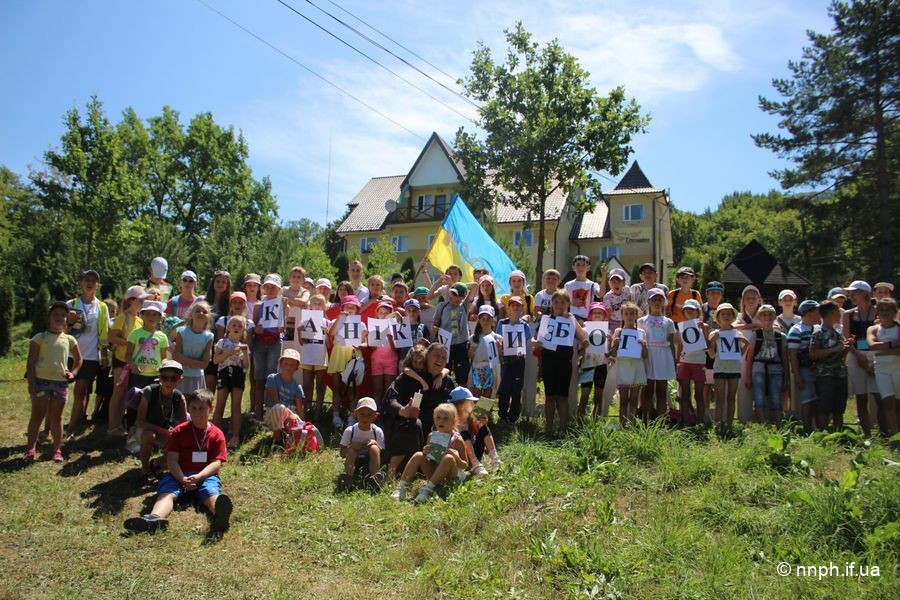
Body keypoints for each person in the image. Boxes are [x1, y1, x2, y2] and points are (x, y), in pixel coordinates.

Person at [124, 389, 232, 534]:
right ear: (188, 409)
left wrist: (199, 476)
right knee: (167, 491)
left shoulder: (217, 434)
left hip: (206, 476)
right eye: (193, 408)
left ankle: (219, 514)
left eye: (202, 408)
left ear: (210, 409)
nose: (197, 412)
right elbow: (172, 460)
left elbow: (216, 462)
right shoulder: (179, 431)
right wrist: (182, 478)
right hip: (179, 474)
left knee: (210, 491)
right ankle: (154, 518)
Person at [382, 343, 455, 479]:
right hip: (408, 430)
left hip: (436, 432)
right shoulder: (409, 377)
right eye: (436, 356)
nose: (440, 360)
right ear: (427, 357)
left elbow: (456, 406)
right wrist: (402, 410)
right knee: (415, 423)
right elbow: (388, 401)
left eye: (444, 358)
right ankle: (391, 472)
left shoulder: (447, 381)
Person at [23, 301, 83, 463]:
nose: (60, 317)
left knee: (57, 418)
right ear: (48, 319)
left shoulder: (69, 339)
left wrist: (73, 373)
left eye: (63, 315)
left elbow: (79, 359)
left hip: (60, 384)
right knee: (37, 416)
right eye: (55, 314)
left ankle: (57, 450)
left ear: (67, 320)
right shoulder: (40, 338)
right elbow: (31, 361)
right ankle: (30, 449)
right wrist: (31, 383)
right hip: (41, 382)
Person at [390, 403, 467, 503]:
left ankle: (427, 490)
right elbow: (430, 459)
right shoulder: (432, 436)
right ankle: (401, 488)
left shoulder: (457, 440)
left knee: (448, 458)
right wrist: (426, 453)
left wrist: (456, 457)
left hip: (450, 477)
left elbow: (465, 465)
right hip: (435, 474)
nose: (441, 421)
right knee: (418, 455)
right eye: (438, 418)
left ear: (453, 421)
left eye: (445, 418)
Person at [64, 269, 110, 438]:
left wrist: (104, 355)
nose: (90, 283)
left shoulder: (102, 307)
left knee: (80, 392)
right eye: (86, 279)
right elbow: (61, 329)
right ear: (81, 283)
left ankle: (71, 429)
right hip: (68, 354)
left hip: (89, 356)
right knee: (58, 392)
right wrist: (69, 322)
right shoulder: (70, 304)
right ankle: (48, 428)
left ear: (97, 285)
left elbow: (104, 332)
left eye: (93, 280)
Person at [536, 290, 585, 436]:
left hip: (564, 361)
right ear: (552, 303)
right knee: (550, 396)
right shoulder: (546, 319)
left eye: (563, 302)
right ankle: (549, 428)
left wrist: (572, 320)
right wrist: (534, 343)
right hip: (548, 360)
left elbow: (582, 337)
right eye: (556, 302)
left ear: (568, 304)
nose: (559, 305)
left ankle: (563, 429)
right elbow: (537, 339)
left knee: (563, 396)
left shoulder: (571, 319)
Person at [135, 359, 187, 481]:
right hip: (145, 430)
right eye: (165, 377)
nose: (169, 381)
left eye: (173, 378)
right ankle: (145, 470)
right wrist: (165, 432)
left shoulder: (179, 397)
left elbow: (184, 425)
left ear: (180, 380)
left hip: (166, 431)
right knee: (148, 436)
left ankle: (156, 464)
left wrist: (175, 434)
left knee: (182, 442)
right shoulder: (149, 391)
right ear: (159, 378)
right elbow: (141, 421)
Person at [107, 286, 147, 435]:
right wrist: (129, 343)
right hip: (121, 361)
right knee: (118, 392)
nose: (143, 302)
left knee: (125, 394)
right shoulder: (123, 317)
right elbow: (112, 337)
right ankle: (112, 426)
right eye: (140, 300)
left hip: (132, 361)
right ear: (130, 300)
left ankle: (119, 425)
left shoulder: (140, 320)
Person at [842, 280, 879, 437]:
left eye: (854, 292)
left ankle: (885, 433)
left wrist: (871, 360)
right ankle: (867, 435)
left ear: (865, 294)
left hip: (876, 355)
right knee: (861, 397)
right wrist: (859, 357)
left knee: (879, 397)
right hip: (855, 355)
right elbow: (847, 339)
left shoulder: (878, 311)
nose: (851, 296)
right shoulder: (848, 314)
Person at [809, 301, 851, 431]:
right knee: (824, 407)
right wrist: (835, 349)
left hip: (840, 374)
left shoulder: (838, 333)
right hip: (825, 375)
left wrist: (846, 348)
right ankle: (823, 433)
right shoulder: (818, 333)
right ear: (831, 313)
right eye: (838, 312)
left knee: (839, 408)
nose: (840, 315)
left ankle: (838, 433)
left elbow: (841, 354)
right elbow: (813, 353)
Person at [744, 304, 788, 426]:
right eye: (764, 315)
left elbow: (785, 359)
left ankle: (779, 423)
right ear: (759, 318)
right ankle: (762, 424)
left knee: (776, 397)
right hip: (758, 368)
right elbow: (749, 358)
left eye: (770, 314)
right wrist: (748, 377)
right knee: (759, 397)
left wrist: (786, 379)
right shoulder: (756, 335)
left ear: (774, 316)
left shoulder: (781, 337)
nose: (767, 317)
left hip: (776, 369)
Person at [638, 288, 677, 421]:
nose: (657, 302)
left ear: (664, 301)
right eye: (654, 299)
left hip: (663, 357)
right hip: (648, 356)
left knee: (662, 390)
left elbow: (671, 343)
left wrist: (674, 361)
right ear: (648, 301)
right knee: (647, 390)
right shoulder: (641, 321)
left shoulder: (669, 322)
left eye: (660, 299)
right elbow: (639, 341)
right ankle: (646, 421)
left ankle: (660, 422)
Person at [708, 303, 749, 429]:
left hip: (734, 369)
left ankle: (730, 425)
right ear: (718, 317)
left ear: (733, 317)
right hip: (720, 368)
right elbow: (711, 355)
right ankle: (718, 425)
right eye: (723, 314)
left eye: (728, 314)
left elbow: (745, 346)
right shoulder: (714, 333)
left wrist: (744, 344)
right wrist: (712, 341)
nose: (726, 316)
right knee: (720, 398)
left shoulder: (737, 333)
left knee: (731, 398)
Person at [327, 295, 366, 428]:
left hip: (353, 353)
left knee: (352, 387)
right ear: (342, 307)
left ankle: (352, 416)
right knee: (337, 386)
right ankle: (335, 415)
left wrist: (361, 345)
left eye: (352, 307)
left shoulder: (361, 324)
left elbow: (364, 340)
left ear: (357, 309)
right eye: (347, 306)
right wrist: (339, 318)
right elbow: (331, 333)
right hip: (339, 353)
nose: (349, 309)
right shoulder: (336, 320)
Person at [213, 315, 251, 448]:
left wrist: (245, 354)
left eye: (240, 326)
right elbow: (215, 360)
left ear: (244, 330)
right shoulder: (222, 342)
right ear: (228, 328)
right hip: (224, 373)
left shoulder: (244, 346)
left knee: (236, 405)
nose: (236, 328)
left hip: (238, 374)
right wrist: (229, 352)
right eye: (234, 325)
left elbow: (246, 366)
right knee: (220, 404)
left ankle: (235, 436)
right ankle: (214, 435)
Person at [252, 274, 285, 419]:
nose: (270, 289)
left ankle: (270, 412)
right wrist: (256, 329)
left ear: (279, 289)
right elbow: (253, 323)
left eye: (274, 287)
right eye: (268, 286)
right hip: (260, 342)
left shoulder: (282, 304)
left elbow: (284, 325)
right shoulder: (258, 305)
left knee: (271, 377)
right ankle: (258, 412)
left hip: (274, 342)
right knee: (259, 377)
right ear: (264, 288)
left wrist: (282, 328)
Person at [609, 302, 648, 427]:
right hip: (623, 367)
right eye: (626, 314)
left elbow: (645, 356)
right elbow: (613, 354)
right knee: (624, 399)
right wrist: (615, 344)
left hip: (637, 367)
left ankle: (632, 425)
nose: (629, 316)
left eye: (632, 314)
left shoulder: (641, 332)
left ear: (637, 316)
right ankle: (622, 425)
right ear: (622, 316)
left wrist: (644, 346)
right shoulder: (619, 331)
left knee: (634, 399)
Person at [496, 296, 532, 426]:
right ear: (508, 308)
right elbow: (498, 340)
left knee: (517, 389)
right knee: (504, 388)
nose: (515, 308)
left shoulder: (525, 326)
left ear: (522, 308)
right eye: (513, 305)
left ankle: (513, 418)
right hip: (505, 360)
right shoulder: (502, 323)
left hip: (519, 360)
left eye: (518, 305)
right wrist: (499, 345)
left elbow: (529, 342)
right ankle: (502, 416)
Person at [449, 386, 501, 476]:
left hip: (475, 452)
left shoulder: (472, 417)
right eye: (471, 402)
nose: (474, 404)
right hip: (462, 458)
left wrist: (482, 422)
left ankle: (495, 458)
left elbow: (480, 432)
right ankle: (475, 465)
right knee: (464, 434)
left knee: (484, 427)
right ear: (461, 406)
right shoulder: (451, 421)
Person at [787, 300, 822, 433]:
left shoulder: (819, 328)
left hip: (818, 370)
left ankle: (819, 428)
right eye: (817, 311)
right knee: (807, 399)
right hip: (804, 370)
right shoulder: (796, 330)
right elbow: (793, 354)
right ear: (808, 313)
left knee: (817, 400)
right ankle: (807, 428)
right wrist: (797, 375)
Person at [338, 397, 385, 491]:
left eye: (369, 415)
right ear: (355, 413)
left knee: (374, 448)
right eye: (362, 414)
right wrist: (352, 447)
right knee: (351, 451)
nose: (365, 418)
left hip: (371, 460)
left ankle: (374, 478)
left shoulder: (377, 431)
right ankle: (347, 478)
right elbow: (342, 453)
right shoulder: (350, 431)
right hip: (354, 461)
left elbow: (382, 453)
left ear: (375, 416)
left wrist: (375, 444)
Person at [868, 297, 899, 435]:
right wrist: (892, 345)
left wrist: (882, 349)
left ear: (894, 312)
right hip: (881, 368)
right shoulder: (873, 329)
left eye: (888, 310)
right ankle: (893, 433)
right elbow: (872, 345)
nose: (885, 313)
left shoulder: (898, 328)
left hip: (898, 367)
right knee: (887, 401)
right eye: (882, 310)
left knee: (898, 403)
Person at [124, 300, 170, 391]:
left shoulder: (163, 336)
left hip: (155, 376)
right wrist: (133, 365)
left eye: (154, 315)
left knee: (152, 399)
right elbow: (128, 354)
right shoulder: (135, 333)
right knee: (136, 398)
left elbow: (164, 357)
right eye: (148, 314)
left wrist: (162, 366)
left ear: (160, 317)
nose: (151, 317)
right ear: (142, 316)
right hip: (137, 375)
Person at [298, 294, 329, 421]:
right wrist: (300, 332)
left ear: (325, 306)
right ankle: (306, 411)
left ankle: (317, 413)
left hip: (320, 357)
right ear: (310, 306)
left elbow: (329, 344)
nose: (317, 306)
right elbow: (302, 342)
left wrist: (326, 332)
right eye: (314, 303)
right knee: (306, 385)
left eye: (320, 304)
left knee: (320, 386)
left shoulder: (327, 322)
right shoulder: (304, 320)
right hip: (307, 356)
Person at [677, 299, 708, 425]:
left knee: (699, 395)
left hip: (699, 362)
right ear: (683, 312)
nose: (689, 311)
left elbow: (708, 346)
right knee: (685, 394)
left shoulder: (704, 326)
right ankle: (686, 422)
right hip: (685, 362)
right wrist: (678, 362)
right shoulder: (681, 326)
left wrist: (704, 330)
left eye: (692, 309)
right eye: (687, 309)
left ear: (698, 311)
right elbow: (680, 346)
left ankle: (700, 422)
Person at [171, 301, 214, 394]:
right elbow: (177, 357)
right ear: (191, 315)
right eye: (197, 311)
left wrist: (184, 360)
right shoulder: (182, 332)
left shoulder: (209, 337)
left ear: (208, 317)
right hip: (181, 375)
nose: (201, 313)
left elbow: (204, 364)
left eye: (204, 312)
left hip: (197, 376)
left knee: (195, 400)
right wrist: (195, 363)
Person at [735, 285, 763, 424]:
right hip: (743, 359)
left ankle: (763, 420)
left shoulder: (764, 314)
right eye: (748, 298)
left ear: (759, 300)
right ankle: (744, 420)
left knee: (762, 389)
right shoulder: (739, 317)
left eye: (754, 298)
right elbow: (732, 327)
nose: (751, 300)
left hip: (761, 358)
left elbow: (775, 326)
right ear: (743, 301)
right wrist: (755, 326)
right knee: (743, 389)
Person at [432, 282, 471, 384]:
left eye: (457, 298)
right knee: (444, 372)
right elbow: (435, 323)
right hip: (445, 344)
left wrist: (462, 285)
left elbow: (475, 285)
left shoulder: (464, 305)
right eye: (451, 296)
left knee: (462, 375)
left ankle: (461, 392)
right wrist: (435, 328)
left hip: (461, 345)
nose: (453, 300)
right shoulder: (442, 306)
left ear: (463, 297)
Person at [577, 302, 609, 420]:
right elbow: (578, 353)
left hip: (602, 366)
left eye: (600, 313)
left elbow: (609, 354)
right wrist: (584, 347)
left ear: (604, 316)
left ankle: (595, 423)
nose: (597, 314)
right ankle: (580, 421)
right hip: (587, 365)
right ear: (589, 315)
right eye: (594, 312)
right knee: (584, 396)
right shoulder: (583, 331)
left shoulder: (607, 332)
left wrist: (613, 345)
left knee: (598, 397)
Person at [202, 270, 232, 391]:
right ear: (213, 283)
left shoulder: (230, 304)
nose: (220, 284)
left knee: (211, 376)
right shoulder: (202, 300)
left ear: (227, 285)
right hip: (202, 340)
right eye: (218, 281)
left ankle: (208, 399)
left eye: (223, 282)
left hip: (219, 343)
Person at [264, 348, 305, 433]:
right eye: (286, 364)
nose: (288, 367)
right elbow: (276, 402)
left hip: (291, 414)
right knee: (279, 408)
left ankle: (292, 436)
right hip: (273, 412)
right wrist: (290, 415)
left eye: (291, 365)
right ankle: (277, 438)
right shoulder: (272, 378)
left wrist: (302, 424)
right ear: (280, 364)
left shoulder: (297, 386)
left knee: (298, 421)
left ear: (296, 368)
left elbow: (300, 409)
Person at [468, 305, 502, 398]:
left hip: (491, 370)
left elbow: (500, 357)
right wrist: (471, 352)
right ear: (479, 320)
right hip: (477, 369)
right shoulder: (473, 338)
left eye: (488, 319)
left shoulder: (497, 338)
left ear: (493, 320)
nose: (485, 321)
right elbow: (470, 357)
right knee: (476, 398)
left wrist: (499, 348)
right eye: (483, 319)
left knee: (486, 400)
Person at [370, 301, 399, 404]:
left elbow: (396, 349)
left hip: (391, 361)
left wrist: (390, 339)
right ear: (377, 313)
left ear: (390, 315)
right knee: (377, 388)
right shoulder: (373, 327)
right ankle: (376, 409)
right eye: (381, 312)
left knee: (389, 389)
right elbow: (372, 347)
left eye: (386, 313)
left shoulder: (394, 327)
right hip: (376, 361)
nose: (383, 315)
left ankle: (387, 410)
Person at [565, 255, 604, 322]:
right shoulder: (568, 285)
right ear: (573, 267)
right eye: (578, 265)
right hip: (573, 317)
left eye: (583, 265)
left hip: (588, 318)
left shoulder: (592, 284)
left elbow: (601, 294)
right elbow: (564, 301)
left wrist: (604, 275)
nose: (580, 267)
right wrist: (572, 302)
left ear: (588, 268)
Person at [282, 266, 310, 343]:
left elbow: (303, 301)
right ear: (289, 278)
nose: (296, 279)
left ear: (303, 280)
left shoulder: (305, 291)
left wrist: (288, 300)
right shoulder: (284, 289)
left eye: (299, 277)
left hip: (300, 322)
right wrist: (298, 303)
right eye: (293, 276)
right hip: (288, 321)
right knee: (288, 344)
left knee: (299, 345)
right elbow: (280, 301)